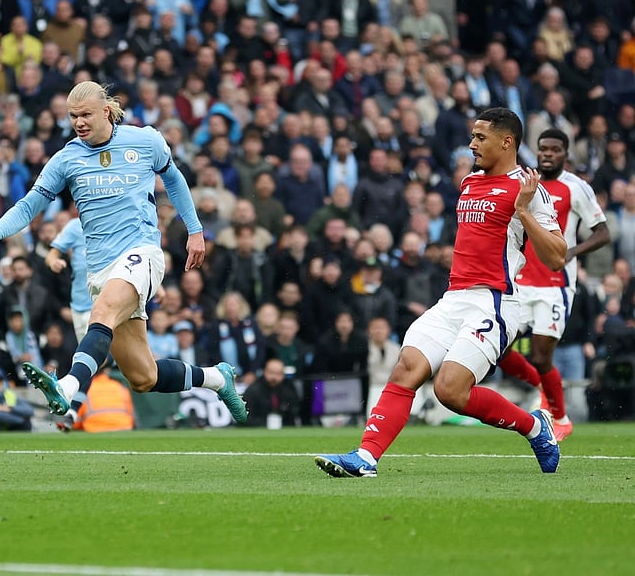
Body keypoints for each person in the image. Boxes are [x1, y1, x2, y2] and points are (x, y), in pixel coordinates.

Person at [0, 81, 246, 423]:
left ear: (106, 110)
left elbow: (173, 179)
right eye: (73, 117)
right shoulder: (67, 158)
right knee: (144, 377)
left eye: (85, 114)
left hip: (141, 253)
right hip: (100, 270)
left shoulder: (145, 140)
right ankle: (218, 378)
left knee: (100, 313)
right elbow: (30, 205)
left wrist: (195, 230)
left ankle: (67, 387)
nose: (79, 122)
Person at [315, 108, 566, 478]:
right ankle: (365, 458)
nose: (472, 144)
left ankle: (534, 427)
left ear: (506, 141)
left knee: (450, 390)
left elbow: (557, 256)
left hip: (494, 301)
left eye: (481, 137)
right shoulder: (469, 182)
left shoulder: (528, 188)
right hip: (453, 299)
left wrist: (524, 212)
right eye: (473, 136)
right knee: (406, 368)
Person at [498, 129, 609, 443]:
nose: (547, 154)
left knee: (542, 356)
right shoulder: (524, 183)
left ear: (566, 154)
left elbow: (602, 232)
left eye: (554, 150)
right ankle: (544, 389)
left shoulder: (576, 188)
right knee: (499, 350)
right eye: (543, 149)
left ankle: (560, 417)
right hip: (519, 283)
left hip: (555, 284)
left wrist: (571, 251)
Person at [240, 358, 302, 428]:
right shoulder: (253, 390)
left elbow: (294, 411)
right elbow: (246, 417)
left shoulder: (289, 388)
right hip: (259, 429)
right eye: (271, 372)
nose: (274, 377)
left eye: (278, 373)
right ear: (264, 372)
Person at [73, 368, 135, 433]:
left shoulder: (85, 390)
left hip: (95, 430)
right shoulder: (120, 387)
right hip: (124, 428)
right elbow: (131, 415)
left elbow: (77, 422)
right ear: (107, 370)